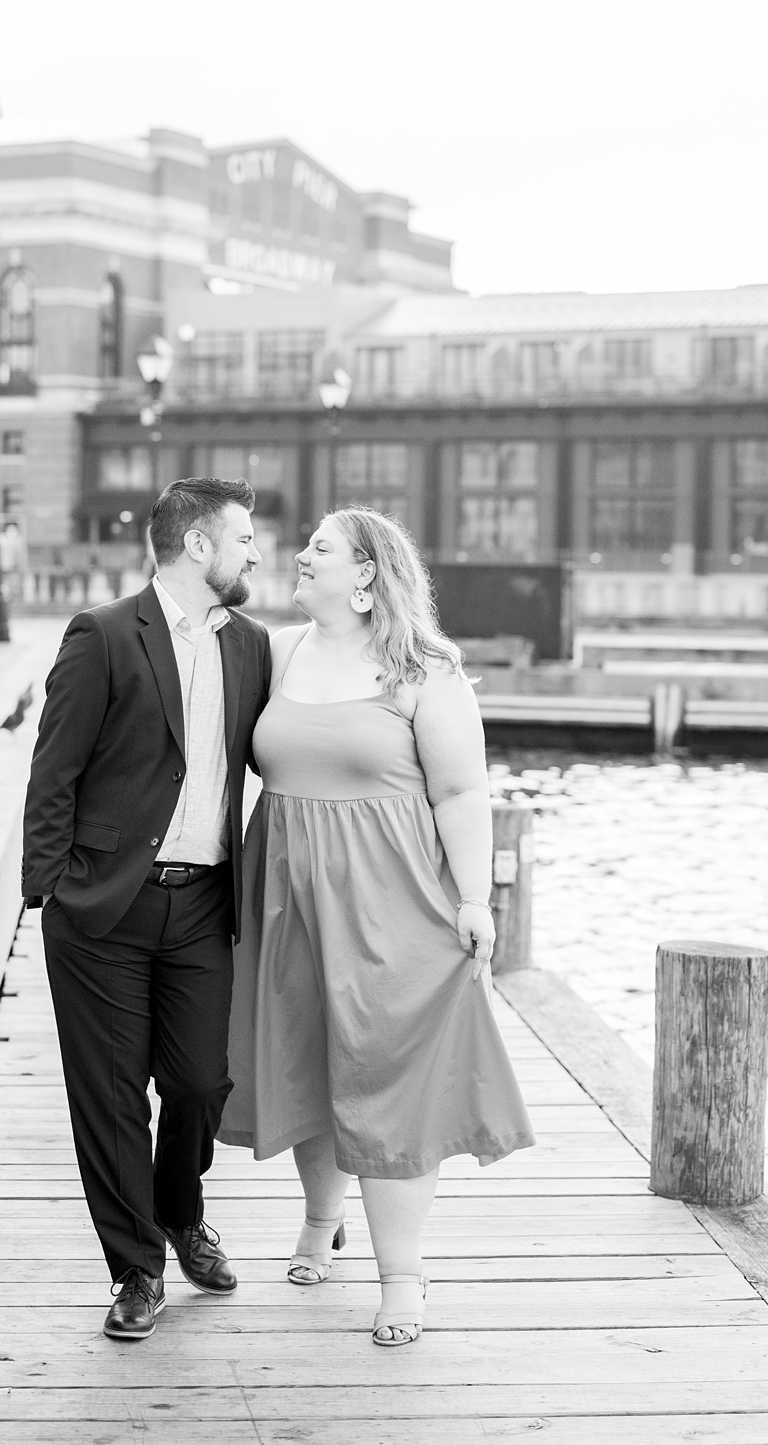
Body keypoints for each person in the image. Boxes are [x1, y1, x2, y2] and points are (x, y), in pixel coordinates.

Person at [218, 505, 534, 1347]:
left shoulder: (426, 669)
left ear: (365, 573)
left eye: (320, 548)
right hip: (283, 895)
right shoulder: (278, 652)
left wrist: (475, 901)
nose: (301, 557)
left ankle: (403, 1276)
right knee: (302, 1059)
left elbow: (462, 794)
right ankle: (322, 1218)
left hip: (394, 901)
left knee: (387, 1078)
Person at [21, 477, 271, 1342]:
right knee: (112, 1096)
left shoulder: (254, 646)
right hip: (104, 906)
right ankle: (136, 1268)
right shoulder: (102, 633)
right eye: (244, 536)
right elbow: (54, 770)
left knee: (201, 1082)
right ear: (198, 545)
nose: (255, 551)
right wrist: (47, 886)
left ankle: (180, 1208)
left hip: (203, 902)